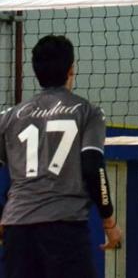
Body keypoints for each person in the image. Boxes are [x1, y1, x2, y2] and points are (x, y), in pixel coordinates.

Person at [0, 35, 122, 278]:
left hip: (18, 229)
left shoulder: (9, 117)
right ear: (70, 70)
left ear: (36, 71)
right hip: (64, 228)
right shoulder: (88, 112)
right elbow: (93, 168)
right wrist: (109, 222)